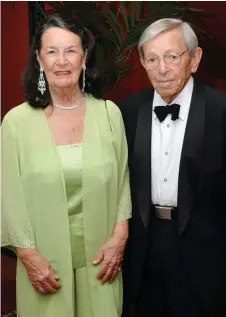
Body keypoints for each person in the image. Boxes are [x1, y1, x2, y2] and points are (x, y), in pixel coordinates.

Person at [1, 14, 132, 317]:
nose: (62, 61)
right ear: (39, 58)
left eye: (71, 50)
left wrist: (120, 236)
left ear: (84, 58)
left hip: (102, 263)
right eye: (52, 51)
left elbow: (123, 180)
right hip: (45, 265)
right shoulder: (16, 123)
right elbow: (9, 198)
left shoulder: (110, 114)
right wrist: (28, 256)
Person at [120, 18, 226, 317]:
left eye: (171, 57)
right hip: (144, 250)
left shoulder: (221, 110)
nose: (162, 68)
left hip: (206, 253)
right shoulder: (128, 111)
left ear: (195, 59)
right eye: (152, 59)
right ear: (142, 62)